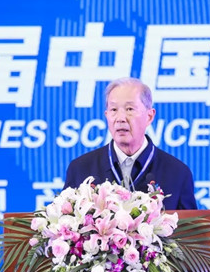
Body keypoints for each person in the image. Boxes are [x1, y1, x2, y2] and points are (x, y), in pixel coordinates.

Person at [64, 77, 197, 210]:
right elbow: (64, 218)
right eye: (114, 110)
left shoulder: (177, 173)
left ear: (149, 116)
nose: (120, 118)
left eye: (129, 109)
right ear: (106, 115)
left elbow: (191, 223)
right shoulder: (81, 169)